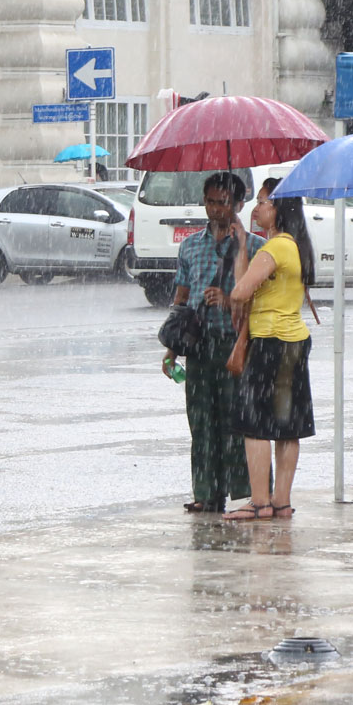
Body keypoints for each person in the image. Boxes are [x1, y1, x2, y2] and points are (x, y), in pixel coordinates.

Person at [226, 177, 315, 521]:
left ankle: (260, 501)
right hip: (294, 342)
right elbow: (245, 284)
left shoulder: (275, 248)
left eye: (263, 202)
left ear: (278, 209)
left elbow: (238, 292)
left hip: (269, 341)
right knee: (287, 426)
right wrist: (243, 247)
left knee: (255, 424)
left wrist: (248, 262)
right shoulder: (294, 245)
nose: (257, 208)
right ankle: (281, 501)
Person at [162, 171, 251, 515]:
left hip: (234, 343)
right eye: (210, 202)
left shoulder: (254, 247)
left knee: (237, 423)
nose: (215, 209)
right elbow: (181, 298)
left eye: (223, 203)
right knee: (201, 422)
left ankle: (244, 494)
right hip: (199, 344)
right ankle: (206, 493)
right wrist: (172, 348)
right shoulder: (190, 246)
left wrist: (229, 301)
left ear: (238, 204)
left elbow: (258, 302)